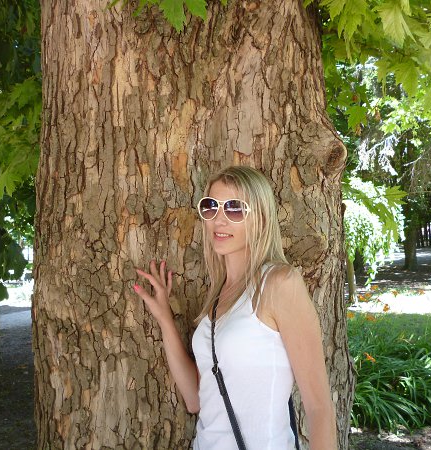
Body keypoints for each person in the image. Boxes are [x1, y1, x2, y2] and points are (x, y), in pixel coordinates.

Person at [133, 166, 338, 449]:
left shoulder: (278, 284)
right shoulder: (218, 296)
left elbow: (319, 408)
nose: (219, 219)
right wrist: (165, 319)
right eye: (211, 207)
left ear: (261, 218)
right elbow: (195, 399)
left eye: (235, 209)